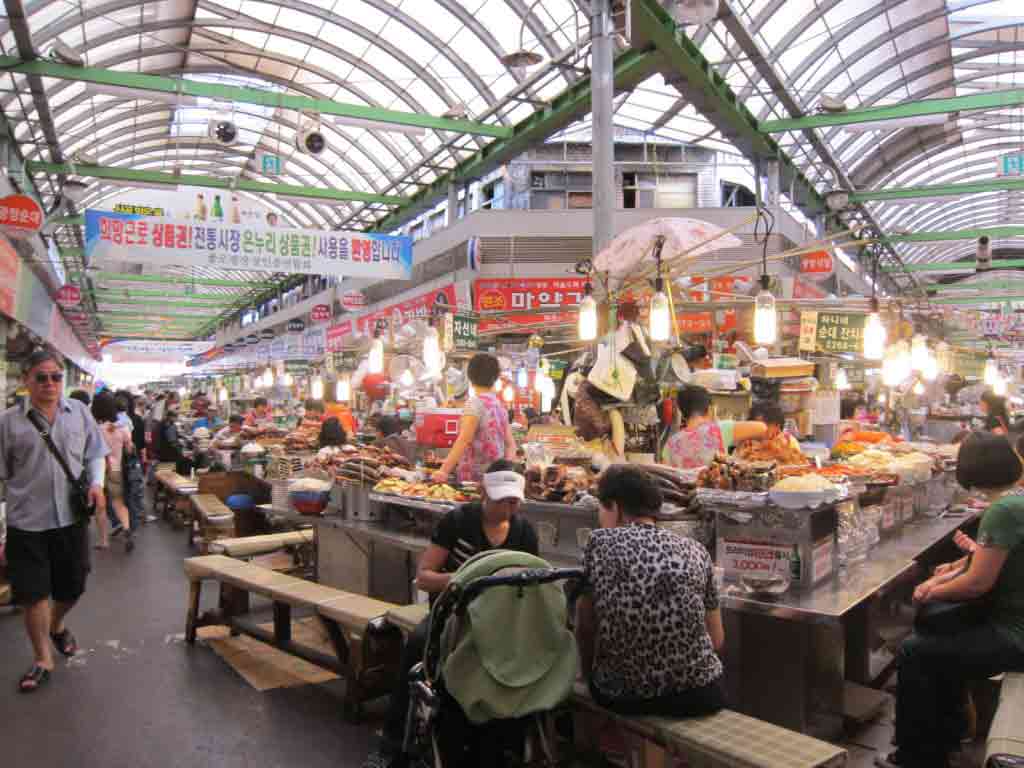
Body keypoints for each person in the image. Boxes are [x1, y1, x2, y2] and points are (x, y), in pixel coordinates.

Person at [363, 460, 539, 768]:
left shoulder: (524, 531)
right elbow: (424, 576)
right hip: (453, 615)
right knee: (418, 645)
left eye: (513, 502)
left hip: (500, 620)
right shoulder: (457, 522)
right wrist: (465, 577)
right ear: (483, 491)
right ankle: (391, 744)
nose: (507, 509)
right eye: (501, 501)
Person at [876, 432, 1024, 768]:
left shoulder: (1003, 510)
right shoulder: (1016, 501)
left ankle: (918, 757)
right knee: (936, 639)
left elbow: (977, 584)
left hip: (1015, 634)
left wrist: (930, 589)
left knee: (915, 651)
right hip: (1012, 619)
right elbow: (993, 560)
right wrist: (956, 567)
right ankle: (948, 735)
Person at [575, 465, 725, 716]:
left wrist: (588, 676)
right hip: (700, 694)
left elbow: (585, 626)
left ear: (615, 507)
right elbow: (717, 639)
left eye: (602, 508)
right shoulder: (696, 550)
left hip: (624, 695)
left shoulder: (599, 543)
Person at [0, 349, 108, 693]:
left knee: (73, 585)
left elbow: (96, 455)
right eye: (41, 377)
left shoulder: (79, 413)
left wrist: (97, 484)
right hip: (26, 521)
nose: (49, 383)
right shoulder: (7, 422)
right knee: (33, 594)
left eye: (55, 377)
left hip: (71, 519)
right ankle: (42, 658)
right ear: (26, 381)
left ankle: (57, 626)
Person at [431, 353, 517, 483]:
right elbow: (511, 445)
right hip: (494, 481)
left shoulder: (474, 404)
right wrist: (504, 471)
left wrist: (443, 470)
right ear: (495, 378)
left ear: (469, 377)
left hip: (472, 480)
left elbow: (464, 440)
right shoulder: (499, 406)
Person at [664, 385, 767, 468]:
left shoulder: (670, 444)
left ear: (682, 412)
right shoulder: (718, 429)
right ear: (709, 409)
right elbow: (762, 427)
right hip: (716, 492)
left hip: (684, 493)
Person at [91, 392, 134, 552]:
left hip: (99, 471)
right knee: (118, 502)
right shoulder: (122, 429)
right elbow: (130, 450)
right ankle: (127, 529)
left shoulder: (95, 428)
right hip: (116, 469)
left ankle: (103, 541)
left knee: (100, 506)